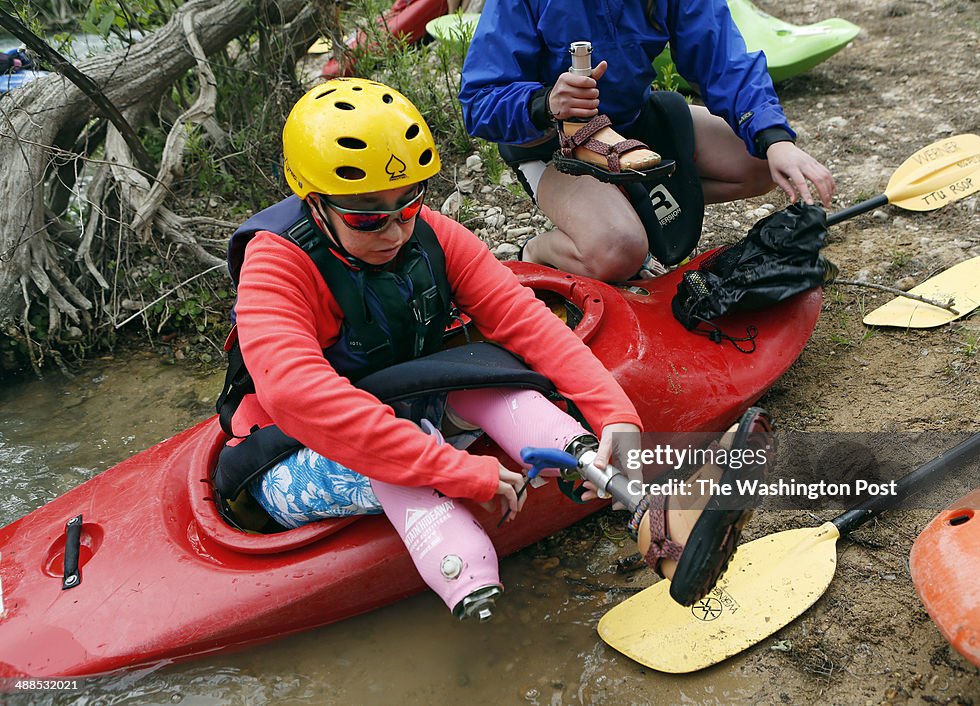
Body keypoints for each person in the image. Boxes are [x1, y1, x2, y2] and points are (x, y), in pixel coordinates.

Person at [215, 77, 764, 618]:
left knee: (503, 386)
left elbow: (524, 320)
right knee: (395, 461)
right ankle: (469, 577)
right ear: (315, 203)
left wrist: (612, 410)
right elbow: (300, 397)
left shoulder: (429, 233)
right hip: (287, 452)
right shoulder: (276, 265)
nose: (395, 233)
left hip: (392, 399)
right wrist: (456, 470)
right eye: (366, 216)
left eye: (408, 204)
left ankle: (644, 511)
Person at [458, 0, 836, 282]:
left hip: (631, 123)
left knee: (757, 162)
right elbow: (478, 100)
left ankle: (629, 205)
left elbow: (722, 57)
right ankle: (538, 252)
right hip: (553, 143)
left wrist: (773, 138)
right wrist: (545, 103)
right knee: (617, 250)